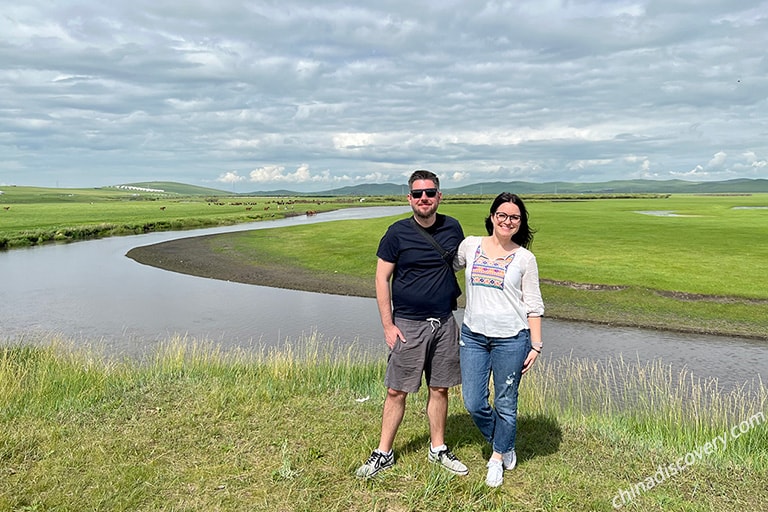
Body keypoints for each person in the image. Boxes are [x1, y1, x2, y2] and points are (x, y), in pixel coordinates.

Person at [355, 169, 468, 479]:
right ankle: (384, 452)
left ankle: (438, 448)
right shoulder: (397, 233)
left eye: (429, 193)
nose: (424, 199)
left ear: (439, 196)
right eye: (418, 194)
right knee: (396, 391)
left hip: (445, 322)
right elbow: (381, 278)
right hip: (408, 324)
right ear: (409, 198)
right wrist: (388, 326)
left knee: (440, 388)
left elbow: (460, 263)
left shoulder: (452, 227)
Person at [453, 192, 544, 488]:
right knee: (473, 401)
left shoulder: (525, 258)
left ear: (520, 222)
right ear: (492, 216)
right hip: (473, 335)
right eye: (502, 215)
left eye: (514, 217)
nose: (507, 221)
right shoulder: (470, 246)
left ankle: (496, 458)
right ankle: (504, 441)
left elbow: (533, 304)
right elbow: (441, 265)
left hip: (511, 340)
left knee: (506, 402)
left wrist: (536, 344)